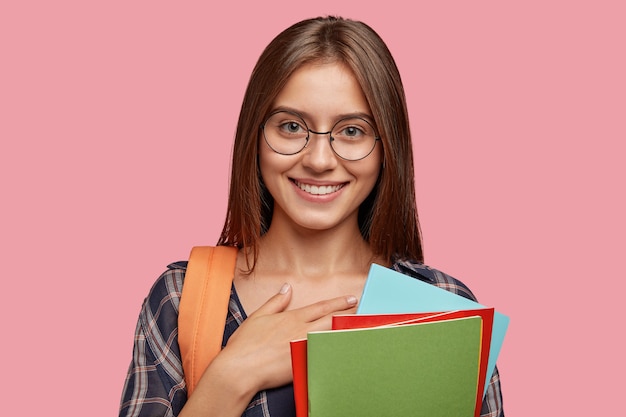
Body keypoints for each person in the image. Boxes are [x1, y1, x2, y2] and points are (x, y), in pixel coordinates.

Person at [119, 16, 504, 417]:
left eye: (352, 131)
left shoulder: (444, 310)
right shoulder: (182, 299)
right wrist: (232, 376)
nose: (319, 160)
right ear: (255, 135)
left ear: (387, 147)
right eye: (290, 126)